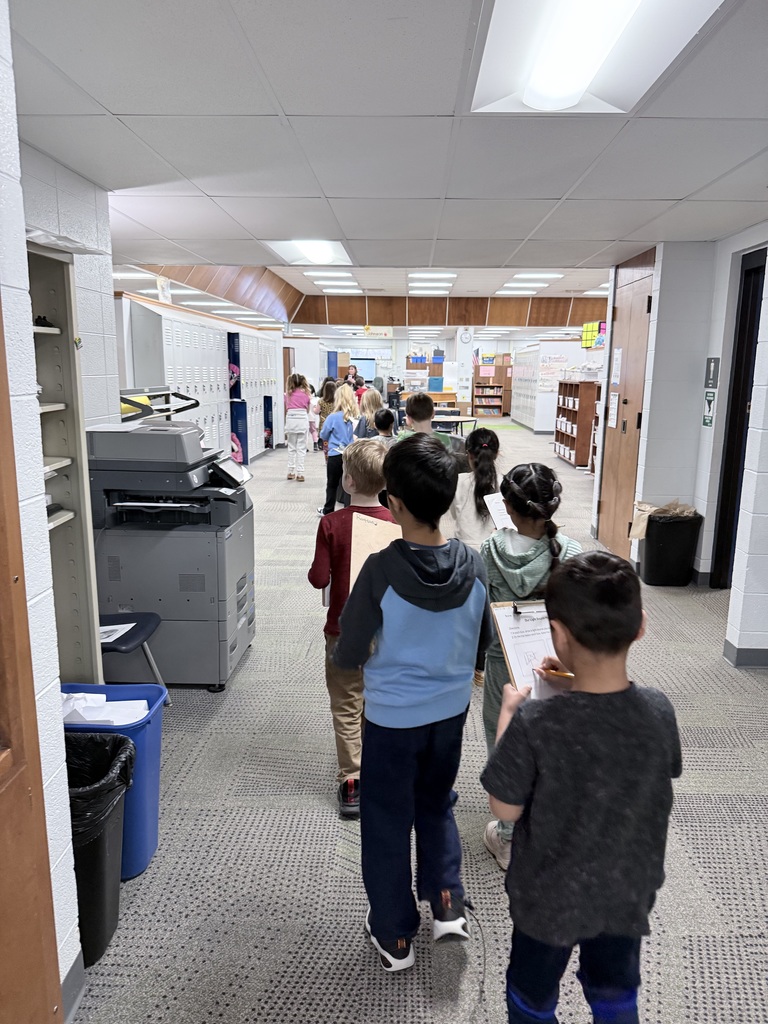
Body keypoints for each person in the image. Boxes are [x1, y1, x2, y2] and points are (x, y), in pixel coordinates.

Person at [481, 551, 682, 1024]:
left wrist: (508, 715)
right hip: (626, 891)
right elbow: (653, 763)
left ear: (558, 634)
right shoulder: (659, 710)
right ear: (641, 626)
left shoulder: (535, 721)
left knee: (531, 999)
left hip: (547, 898)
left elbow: (504, 808)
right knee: (614, 993)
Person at [334, 434, 493, 972]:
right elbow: (481, 645)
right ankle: (447, 903)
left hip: (391, 721)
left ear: (393, 503)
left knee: (384, 818)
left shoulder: (379, 570)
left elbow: (349, 652)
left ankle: (395, 934)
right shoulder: (475, 565)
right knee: (436, 801)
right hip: (450, 714)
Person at [480, 463, 582, 870]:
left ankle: (508, 838)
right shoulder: (570, 553)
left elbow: (480, 608)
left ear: (506, 506)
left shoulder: (490, 550)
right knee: (552, 744)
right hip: (555, 664)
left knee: (504, 742)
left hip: (502, 662)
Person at [307, 440, 396, 817]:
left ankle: (352, 780)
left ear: (348, 480)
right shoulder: (395, 522)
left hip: (342, 632)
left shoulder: (331, 523)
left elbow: (318, 578)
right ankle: (376, 769)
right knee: (373, 700)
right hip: (385, 632)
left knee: (346, 703)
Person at [442, 428, 500, 550]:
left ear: (469, 455)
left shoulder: (458, 481)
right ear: (497, 454)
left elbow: (454, 515)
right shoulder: (506, 484)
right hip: (496, 550)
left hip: (463, 550)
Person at [318, 385, 358, 516]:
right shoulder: (356, 417)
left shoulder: (333, 417)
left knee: (332, 484)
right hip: (351, 455)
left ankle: (328, 510)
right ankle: (349, 511)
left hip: (335, 454)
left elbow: (324, 435)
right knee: (350, 485)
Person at [284, 373, 311, 482]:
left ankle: (291, 472)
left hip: (291, 420)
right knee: (301, 448)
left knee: (291, 447)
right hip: (302, 420)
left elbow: (287, 408)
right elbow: (308, 410)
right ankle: (300, 473)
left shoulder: (288, 395)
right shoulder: (306, 395)